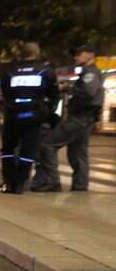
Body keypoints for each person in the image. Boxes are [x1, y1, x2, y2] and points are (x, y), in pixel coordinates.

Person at [32, 44, 104, 192]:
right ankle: (80, 186)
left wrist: (68, 87)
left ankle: (53, 182)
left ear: (91, 55)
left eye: (79, 54)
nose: (76, 57)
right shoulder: (87, 72)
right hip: (85, 118)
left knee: (47, 144)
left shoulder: (90, 73)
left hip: (79, 118)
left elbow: (88, 93)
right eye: (75, 54)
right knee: (78, 153)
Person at [0, 42, 59, 194]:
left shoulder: (9, 71)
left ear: (20, 54)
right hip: (34, 115)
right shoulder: (45, 71)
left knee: (8, 149)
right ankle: (20, 183)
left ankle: (9, 181)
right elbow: (54, 95)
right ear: (37, 53)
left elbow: (5, 93)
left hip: (13, 115)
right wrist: (48, 112)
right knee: (29, 150)